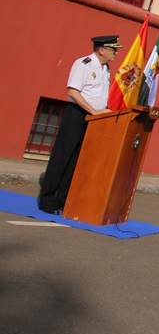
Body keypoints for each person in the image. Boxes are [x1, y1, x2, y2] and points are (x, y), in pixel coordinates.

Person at [38, 35, 122, 214]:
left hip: (94, 117)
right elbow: (73, 91)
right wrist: (94, 111)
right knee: (62, 157)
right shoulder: (84, 64)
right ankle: (47, 199)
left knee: (76, 159)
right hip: (77, 114)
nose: (116, 53)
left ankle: (62, 199)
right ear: (102, 50)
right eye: (113, 49)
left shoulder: (105, 68)